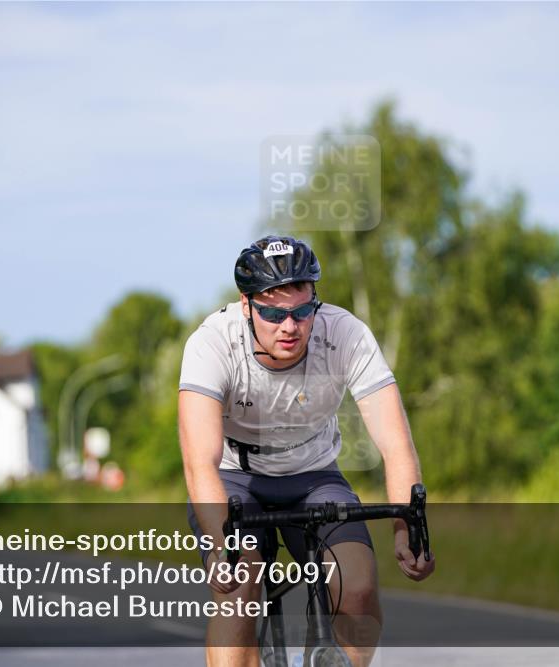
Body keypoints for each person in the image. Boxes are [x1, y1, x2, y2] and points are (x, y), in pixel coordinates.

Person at [180, 235, 434, 667]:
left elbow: (395, 444)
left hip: (313, 474)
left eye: (301, 311)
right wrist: (223, 546)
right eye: (273, 313)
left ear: (315, 300)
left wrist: (407, 528)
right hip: (235, 477)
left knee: (357, 585)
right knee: (240, 586)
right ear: (247, 305)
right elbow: (198, 461)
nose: (290, 327)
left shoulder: (345, 333)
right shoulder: (212, 343)